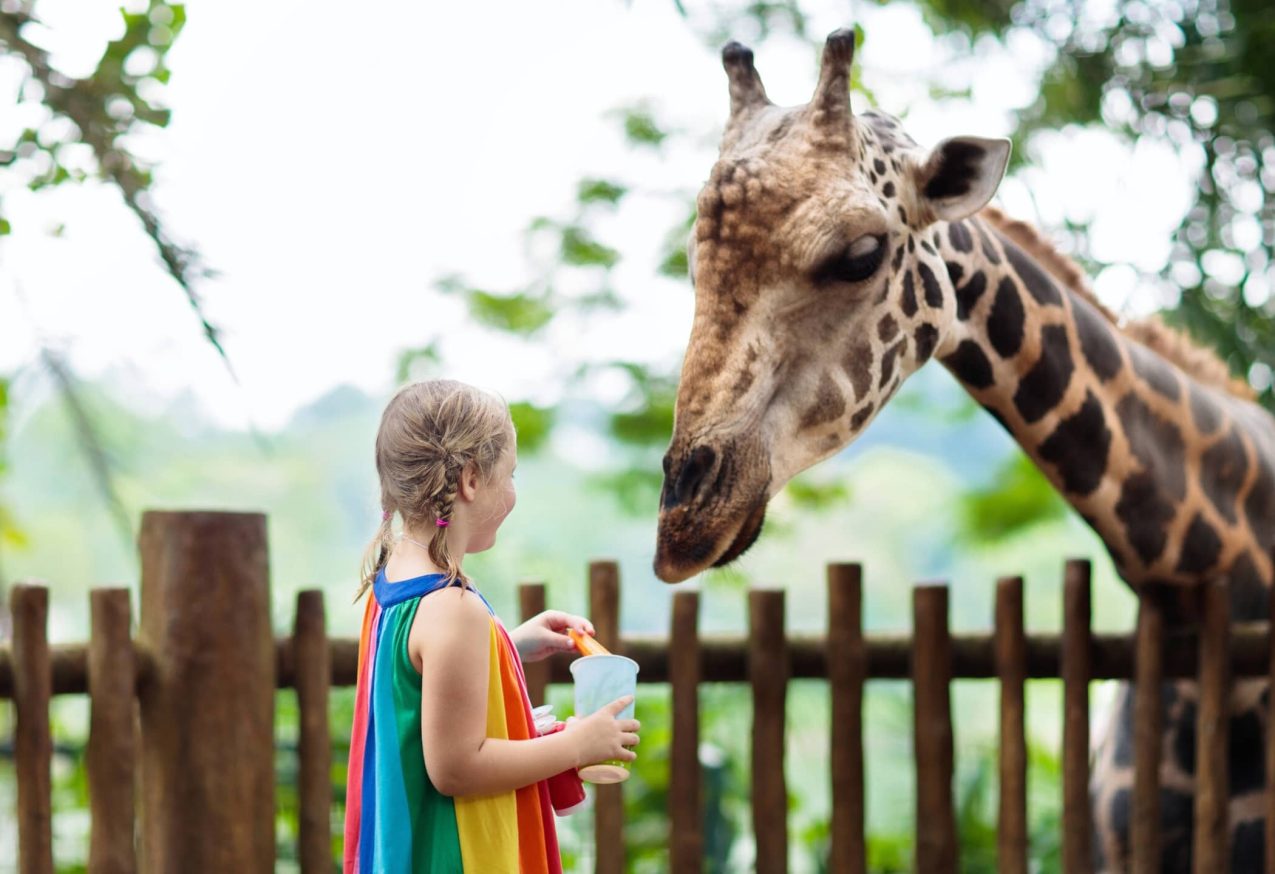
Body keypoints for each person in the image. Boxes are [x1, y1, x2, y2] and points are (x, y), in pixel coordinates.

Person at [343, 380, 640, 873]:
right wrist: (577, 744)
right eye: (511, 474)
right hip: (455, 853)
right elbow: (457, 767)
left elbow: (416, 679)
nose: (513, 491)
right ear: (472, 480)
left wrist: (510, 642)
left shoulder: (396, 573)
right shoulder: (452, 607)